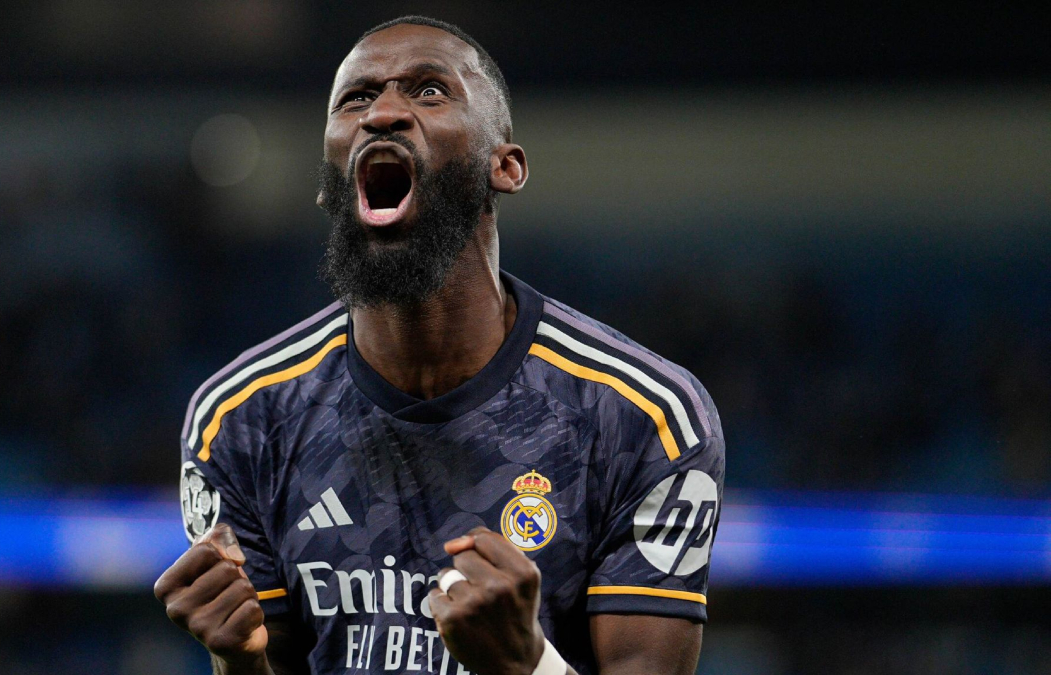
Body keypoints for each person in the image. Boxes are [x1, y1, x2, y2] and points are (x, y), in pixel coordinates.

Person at [154, 15, 724, 675]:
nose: (384, 114)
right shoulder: (243, 417)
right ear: (326, 184)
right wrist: (237, 662)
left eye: (429, 91)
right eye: (357, 99)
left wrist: (527, 664)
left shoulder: (641, 416)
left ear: (504, 166)